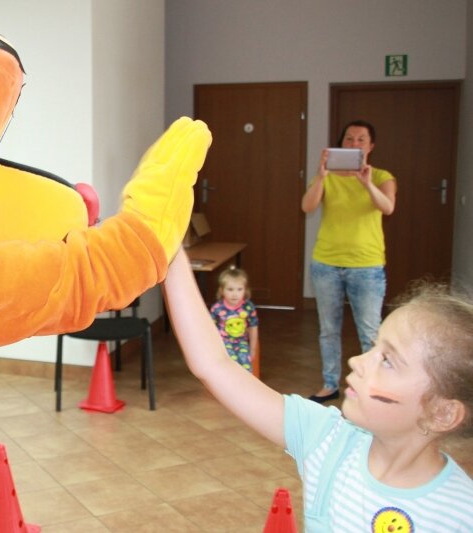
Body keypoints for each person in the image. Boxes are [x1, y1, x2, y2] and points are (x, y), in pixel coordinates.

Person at [163, 249, 473, 531]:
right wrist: (172, 250)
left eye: (388, 361)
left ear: (443, 413)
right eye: (373, 346)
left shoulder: (461, 515)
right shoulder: (326, 439)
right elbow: (214, 365)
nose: (356, 361)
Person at [302, 120, 397, 403]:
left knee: (370, 332)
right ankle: (330, 384)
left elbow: (388, 207)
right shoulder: (327, 176)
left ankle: (372, 386)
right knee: (328, 330)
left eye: (361, 139)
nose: (354, 143)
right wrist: (321, 176)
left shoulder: (382, 177)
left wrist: (366, 183)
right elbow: (307, 206)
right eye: (349, 138)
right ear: (340, 143)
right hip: (326, 264)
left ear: (371, 146)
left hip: (367, 267)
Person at [210, 266, 258, 372]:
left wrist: (252, 348)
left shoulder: (248, 307)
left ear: (245, 290)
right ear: (222, 290)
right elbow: (211, 329)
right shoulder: (217, 308)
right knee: (229, 365)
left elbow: (253, 327)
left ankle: (244, 382)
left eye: (239, 289)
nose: (235, 294)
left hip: (241, 342)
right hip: (223, 343)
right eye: (230, 289)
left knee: (245, 365)